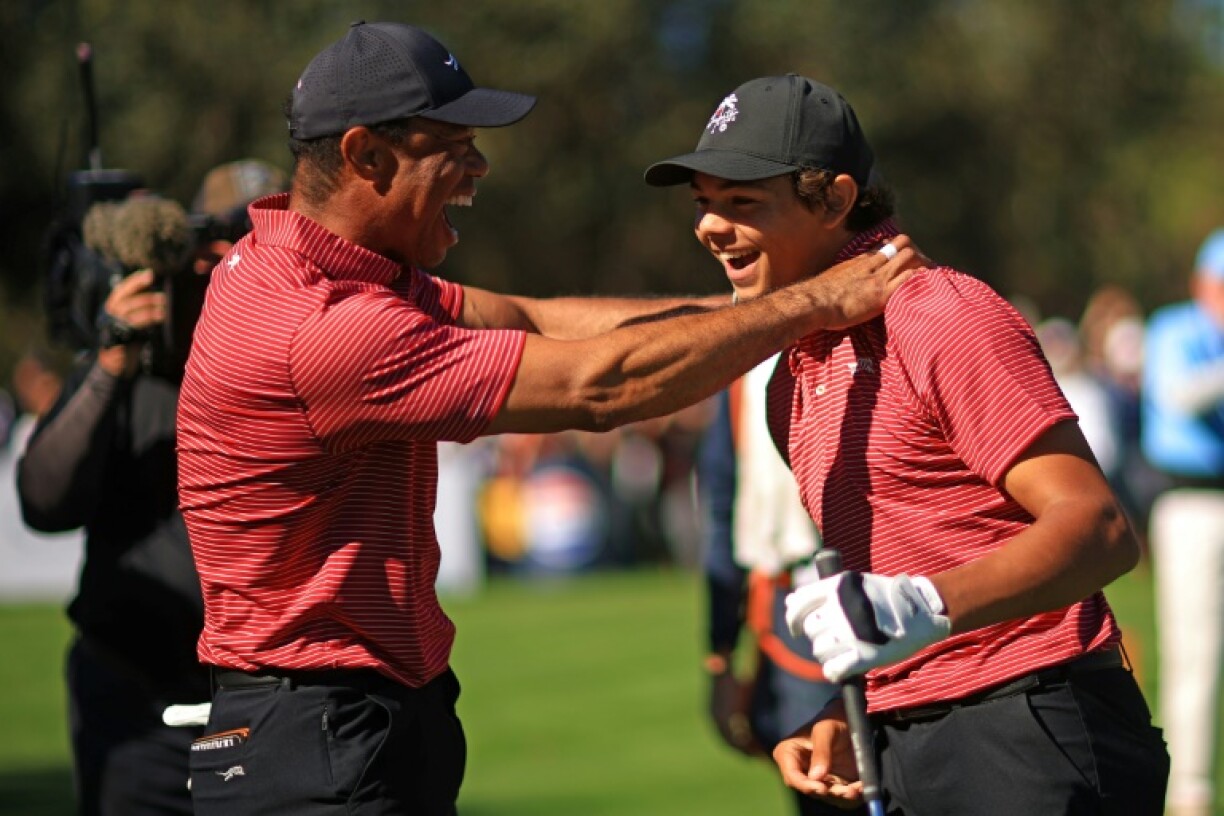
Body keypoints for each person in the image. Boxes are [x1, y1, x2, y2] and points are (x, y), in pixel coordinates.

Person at [174, 22, 915, 816]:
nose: (479, 167)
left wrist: (770, 301)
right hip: (318, 734)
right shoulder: (326, 328)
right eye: (453, 145)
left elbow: (534, 319)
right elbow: (603, 387)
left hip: (339, 721)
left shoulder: (325, 269)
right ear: (365, 156)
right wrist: (820, 302)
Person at [644, 73, 1169, 815]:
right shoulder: (788, 375)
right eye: (703, 204)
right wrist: (840, 710)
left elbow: (1101, 529)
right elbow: (892, 579)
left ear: (833, 199)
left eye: (741, 202)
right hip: (904, 734)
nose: (709, 227)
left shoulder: (937, 314)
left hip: (1029, 722)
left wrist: (924, 603)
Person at [16, 160, 285, 816]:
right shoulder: (130, 357)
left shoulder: (294, 355)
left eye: (259, 245)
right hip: (134, 701)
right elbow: (45, 500)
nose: (231, 269)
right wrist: (112, 357)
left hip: (270, 705)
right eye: (216, 250)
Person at [696, 353, 842, 815]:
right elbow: (724, 511)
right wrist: (721, 655)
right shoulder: (747, 366)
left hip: (902, 597)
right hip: (796, 609)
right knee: (825, 791)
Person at [1141, 228, 1224, 816]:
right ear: (1202, 284)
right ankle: (1189, 790)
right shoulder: (1173, 329)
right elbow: (1178, 397)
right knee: (1193, 651)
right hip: (1190, 504)